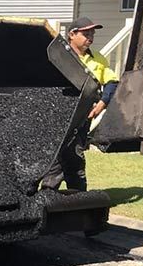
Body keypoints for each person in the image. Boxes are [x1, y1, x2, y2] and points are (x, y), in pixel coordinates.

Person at [40, 16, 120, 191]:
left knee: (73, 152)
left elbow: (112, 82)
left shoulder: (98, 58)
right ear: (72, 35)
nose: (90, 37)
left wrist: (102, 104)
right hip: (58, 114)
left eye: (92, 34)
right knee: (58, 153)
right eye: (86, 33)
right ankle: (50, 192)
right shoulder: (59, 55)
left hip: (83, 117)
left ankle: (73, 193)